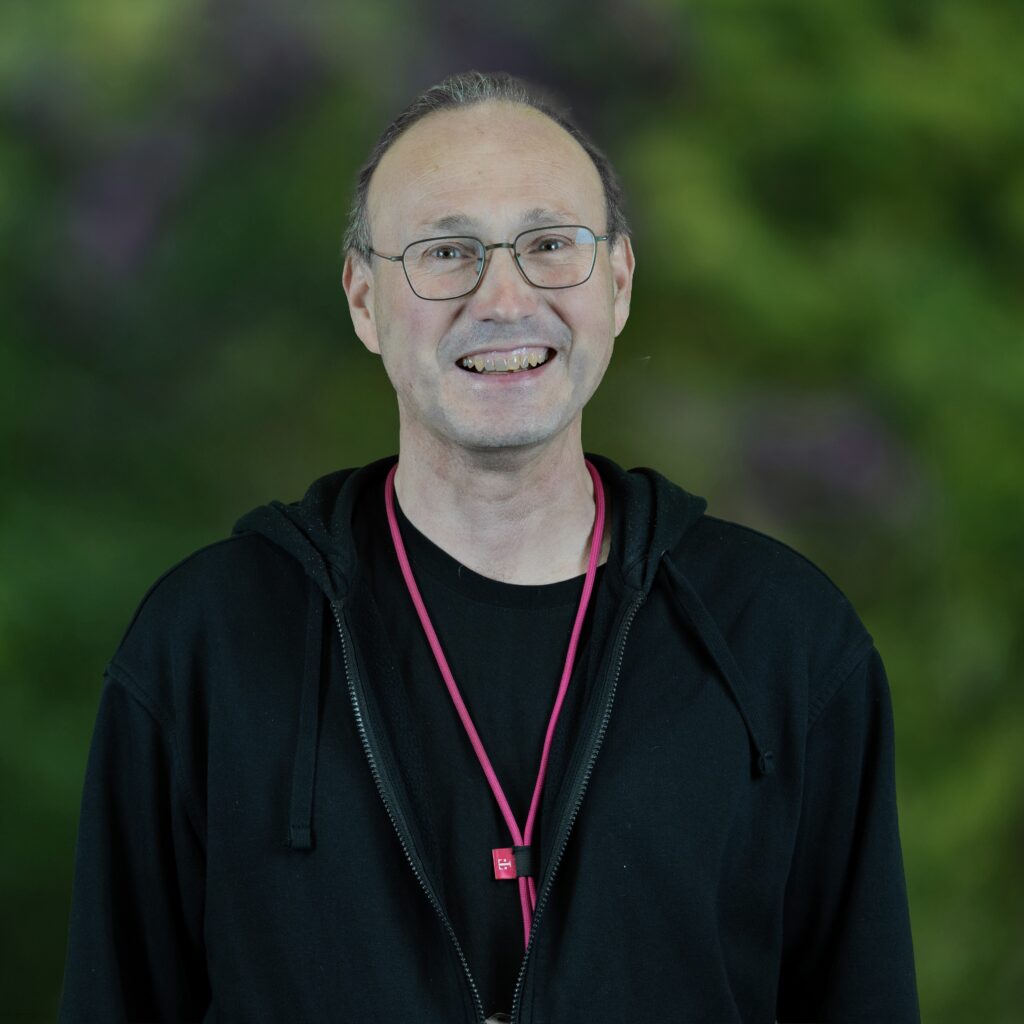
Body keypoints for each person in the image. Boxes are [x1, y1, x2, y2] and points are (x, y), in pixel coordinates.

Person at [58, 70, 920, 1023]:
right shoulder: (207, 644)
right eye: (446, 252)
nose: (504, 298)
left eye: (551, 245)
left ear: (618, 283)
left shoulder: (785, 639)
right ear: (363, 300)